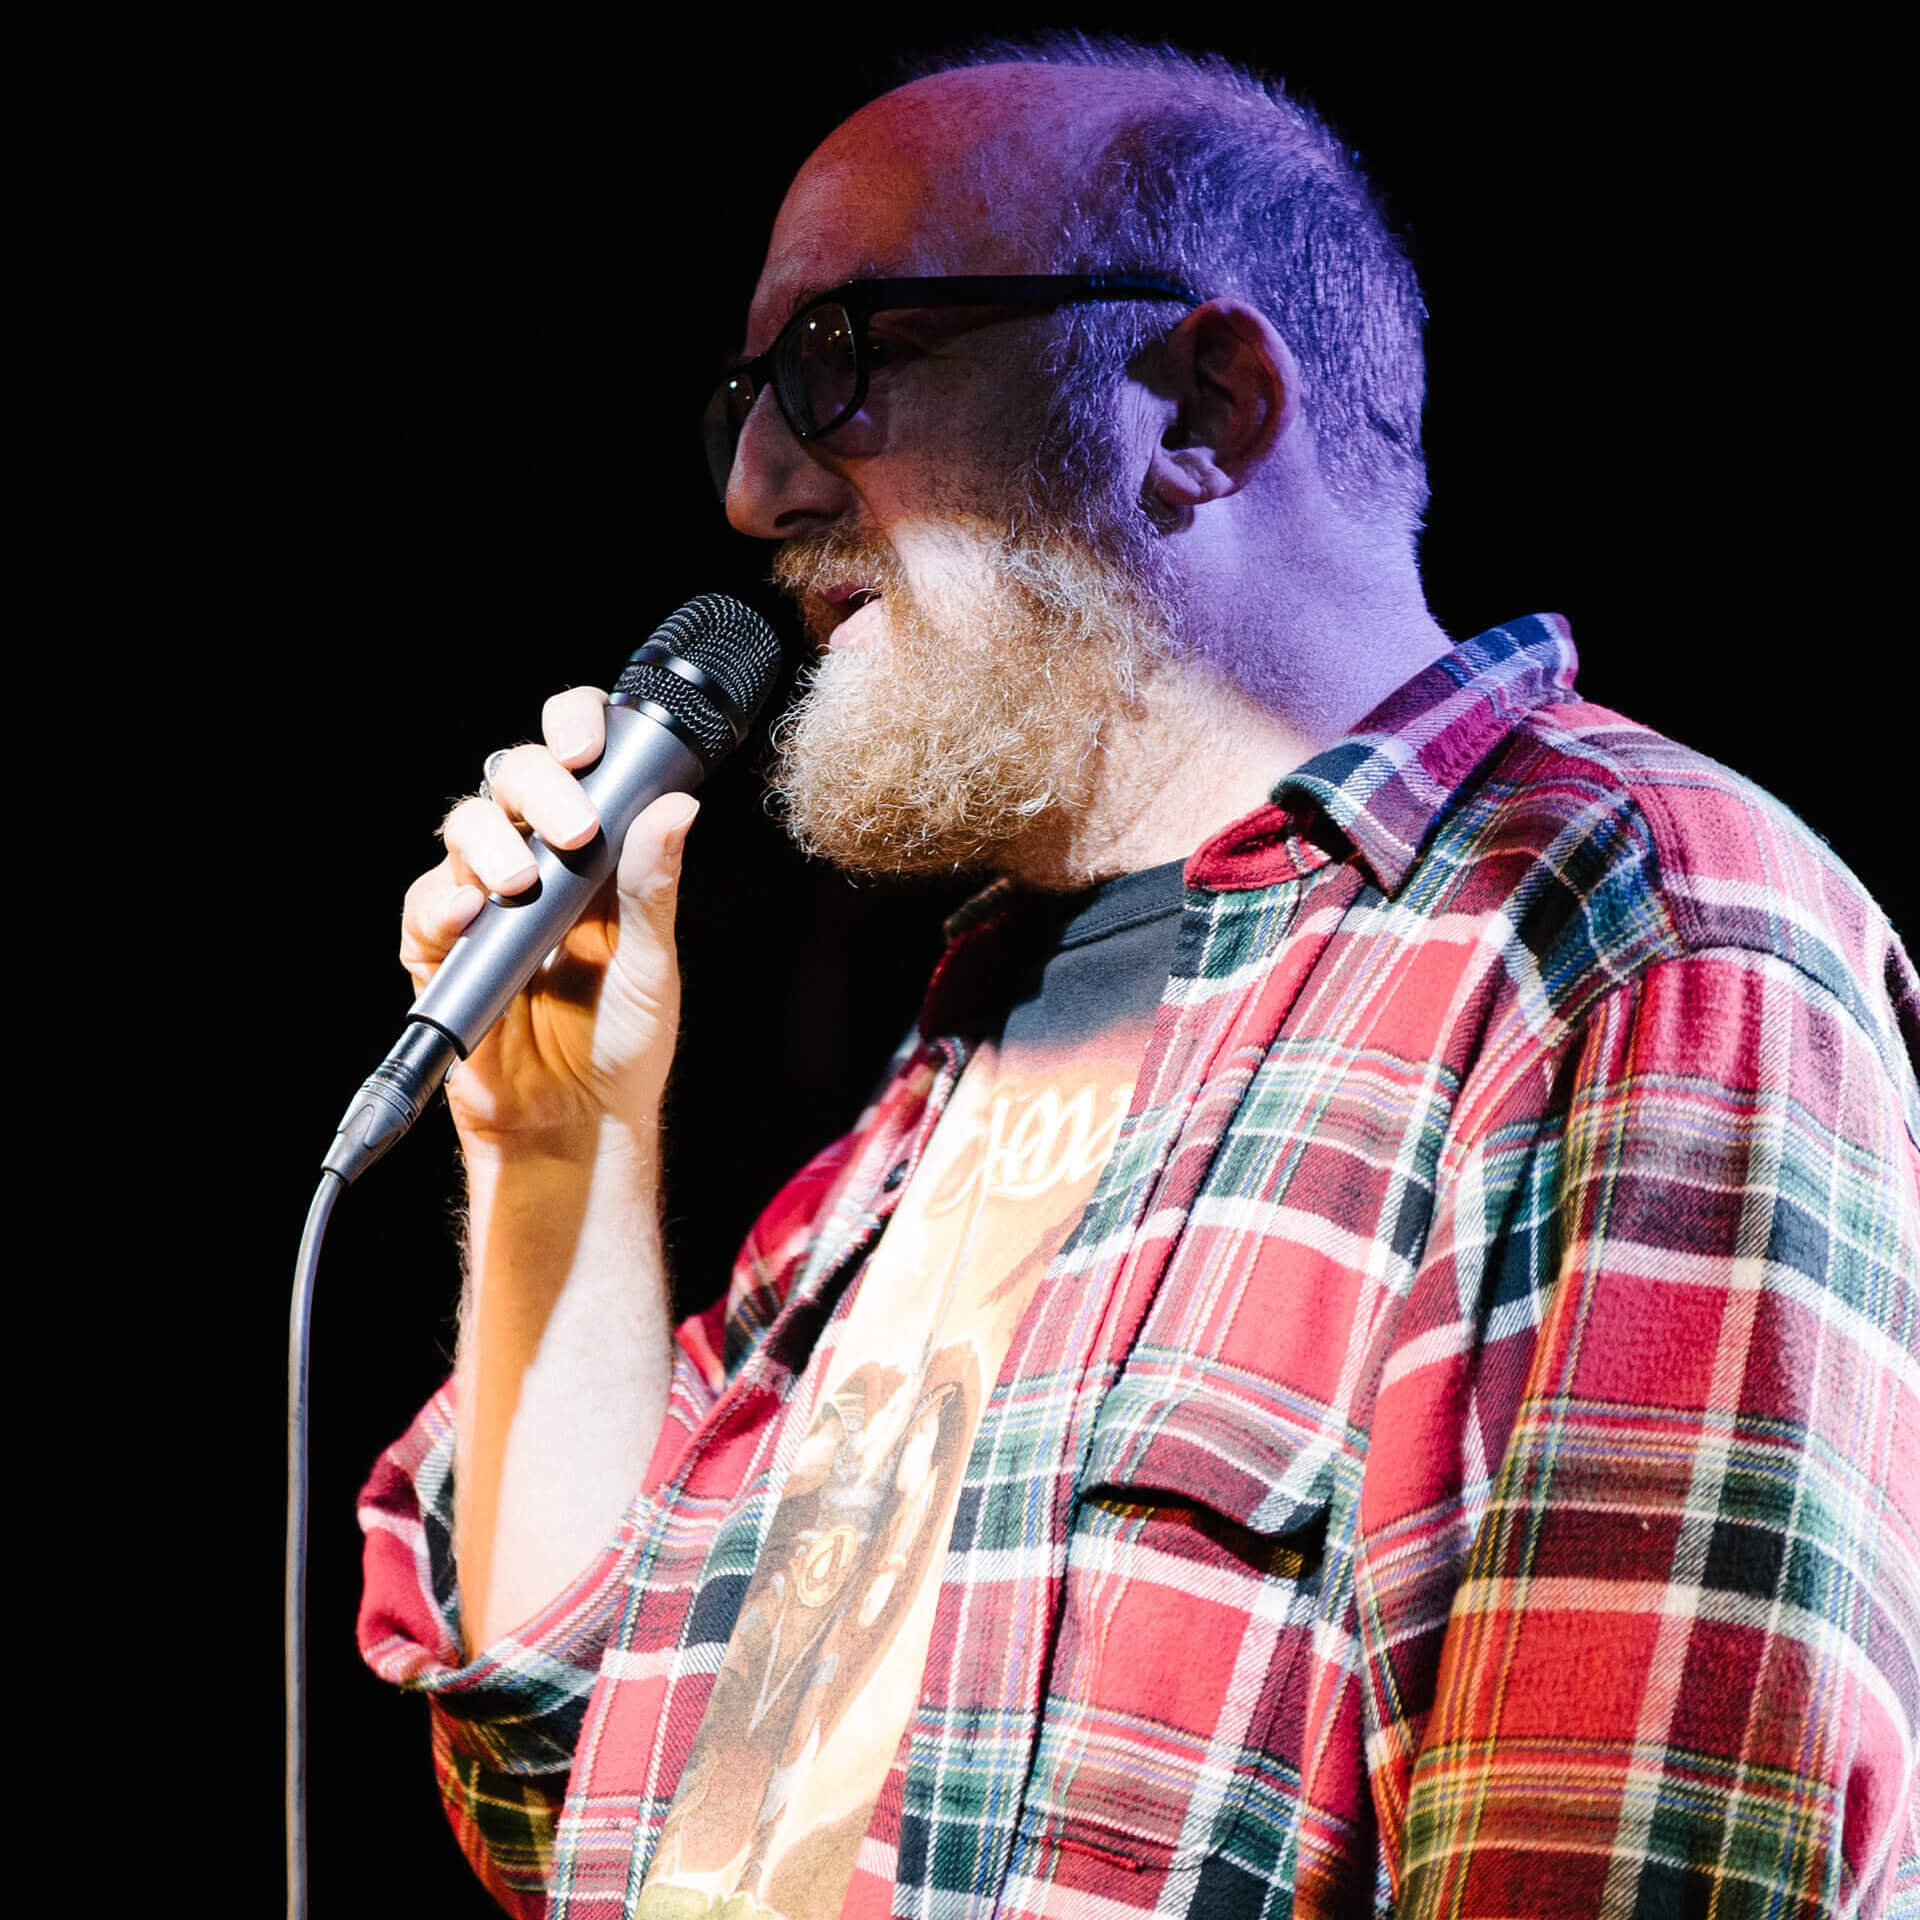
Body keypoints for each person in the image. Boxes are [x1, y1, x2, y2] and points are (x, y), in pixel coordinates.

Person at [357, 37, 1920, 1919]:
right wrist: (559, 1158)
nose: (760, 485)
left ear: (1199, 404)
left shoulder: (1626, 933)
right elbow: (565, 1790)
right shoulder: (950, 1075)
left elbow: (1625, 1856)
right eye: (748, 403)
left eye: (842, 359)